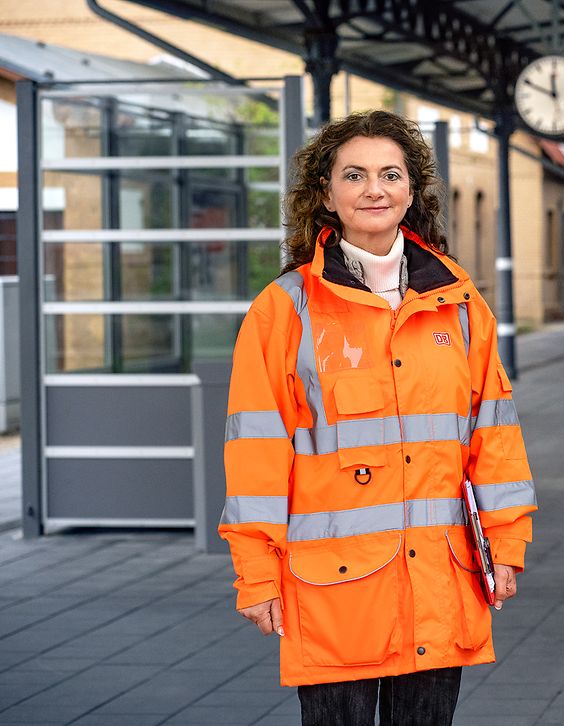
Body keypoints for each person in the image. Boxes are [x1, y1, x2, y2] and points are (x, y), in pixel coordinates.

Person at [219, 109, 537, 726]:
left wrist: (507, 543)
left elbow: (493, 436)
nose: (374, 189)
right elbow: (256, 452)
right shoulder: (284, 312)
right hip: (335, 591)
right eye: (355, 175)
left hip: (439, 579)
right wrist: (255, 573)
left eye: (390, 174)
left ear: (411, 192)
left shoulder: (459, 303)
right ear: (328, 196)